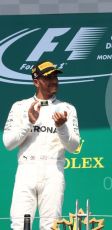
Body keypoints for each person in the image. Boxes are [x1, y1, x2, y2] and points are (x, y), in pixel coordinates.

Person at [3, 61, 80, 230]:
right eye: (48, 77)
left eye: (55, 77)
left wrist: (61, 127)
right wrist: (29, 122)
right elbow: (8, 143)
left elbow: (74, 147)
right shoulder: (20, 107)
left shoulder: (67, 108)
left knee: (50, 226)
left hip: (53, 170)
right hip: (26, 169)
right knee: (20, 226)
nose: (54, 81)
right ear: (36, 81)